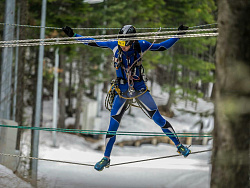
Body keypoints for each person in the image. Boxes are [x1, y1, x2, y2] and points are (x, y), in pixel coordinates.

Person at [62, 24, 191, 171]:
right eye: (121, 42)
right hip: (122, 91)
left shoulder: (141, 45)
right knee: (112, 126)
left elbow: (162, 47)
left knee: (158, 119)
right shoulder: (115, 45)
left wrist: (178, 35)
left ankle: (179, 146)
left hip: (139, 89)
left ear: (132, 41)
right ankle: (106, 158)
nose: (122, 46)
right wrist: (74, 35)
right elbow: (93, 42)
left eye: (125, 44)